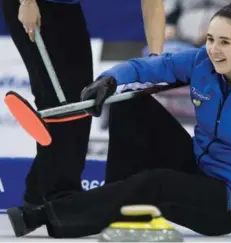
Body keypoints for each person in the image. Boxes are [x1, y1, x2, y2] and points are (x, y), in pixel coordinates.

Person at [8, 3, 231, 241]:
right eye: (211, 39)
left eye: (225, 42)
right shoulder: (204, 62)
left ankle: (47, 216)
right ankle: (123, 214)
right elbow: (148, 69)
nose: (214, 49)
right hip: (199, 168)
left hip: (229, 201)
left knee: (155, 182)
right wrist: (109, 82)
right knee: (132, 104)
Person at [2, 0, 166, 237]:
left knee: (81, 103)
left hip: (66, 8)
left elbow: (153, 5)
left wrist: (155, 58)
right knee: (60, 107)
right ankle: (60, 202)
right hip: (35, 5)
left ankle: (36, 202)